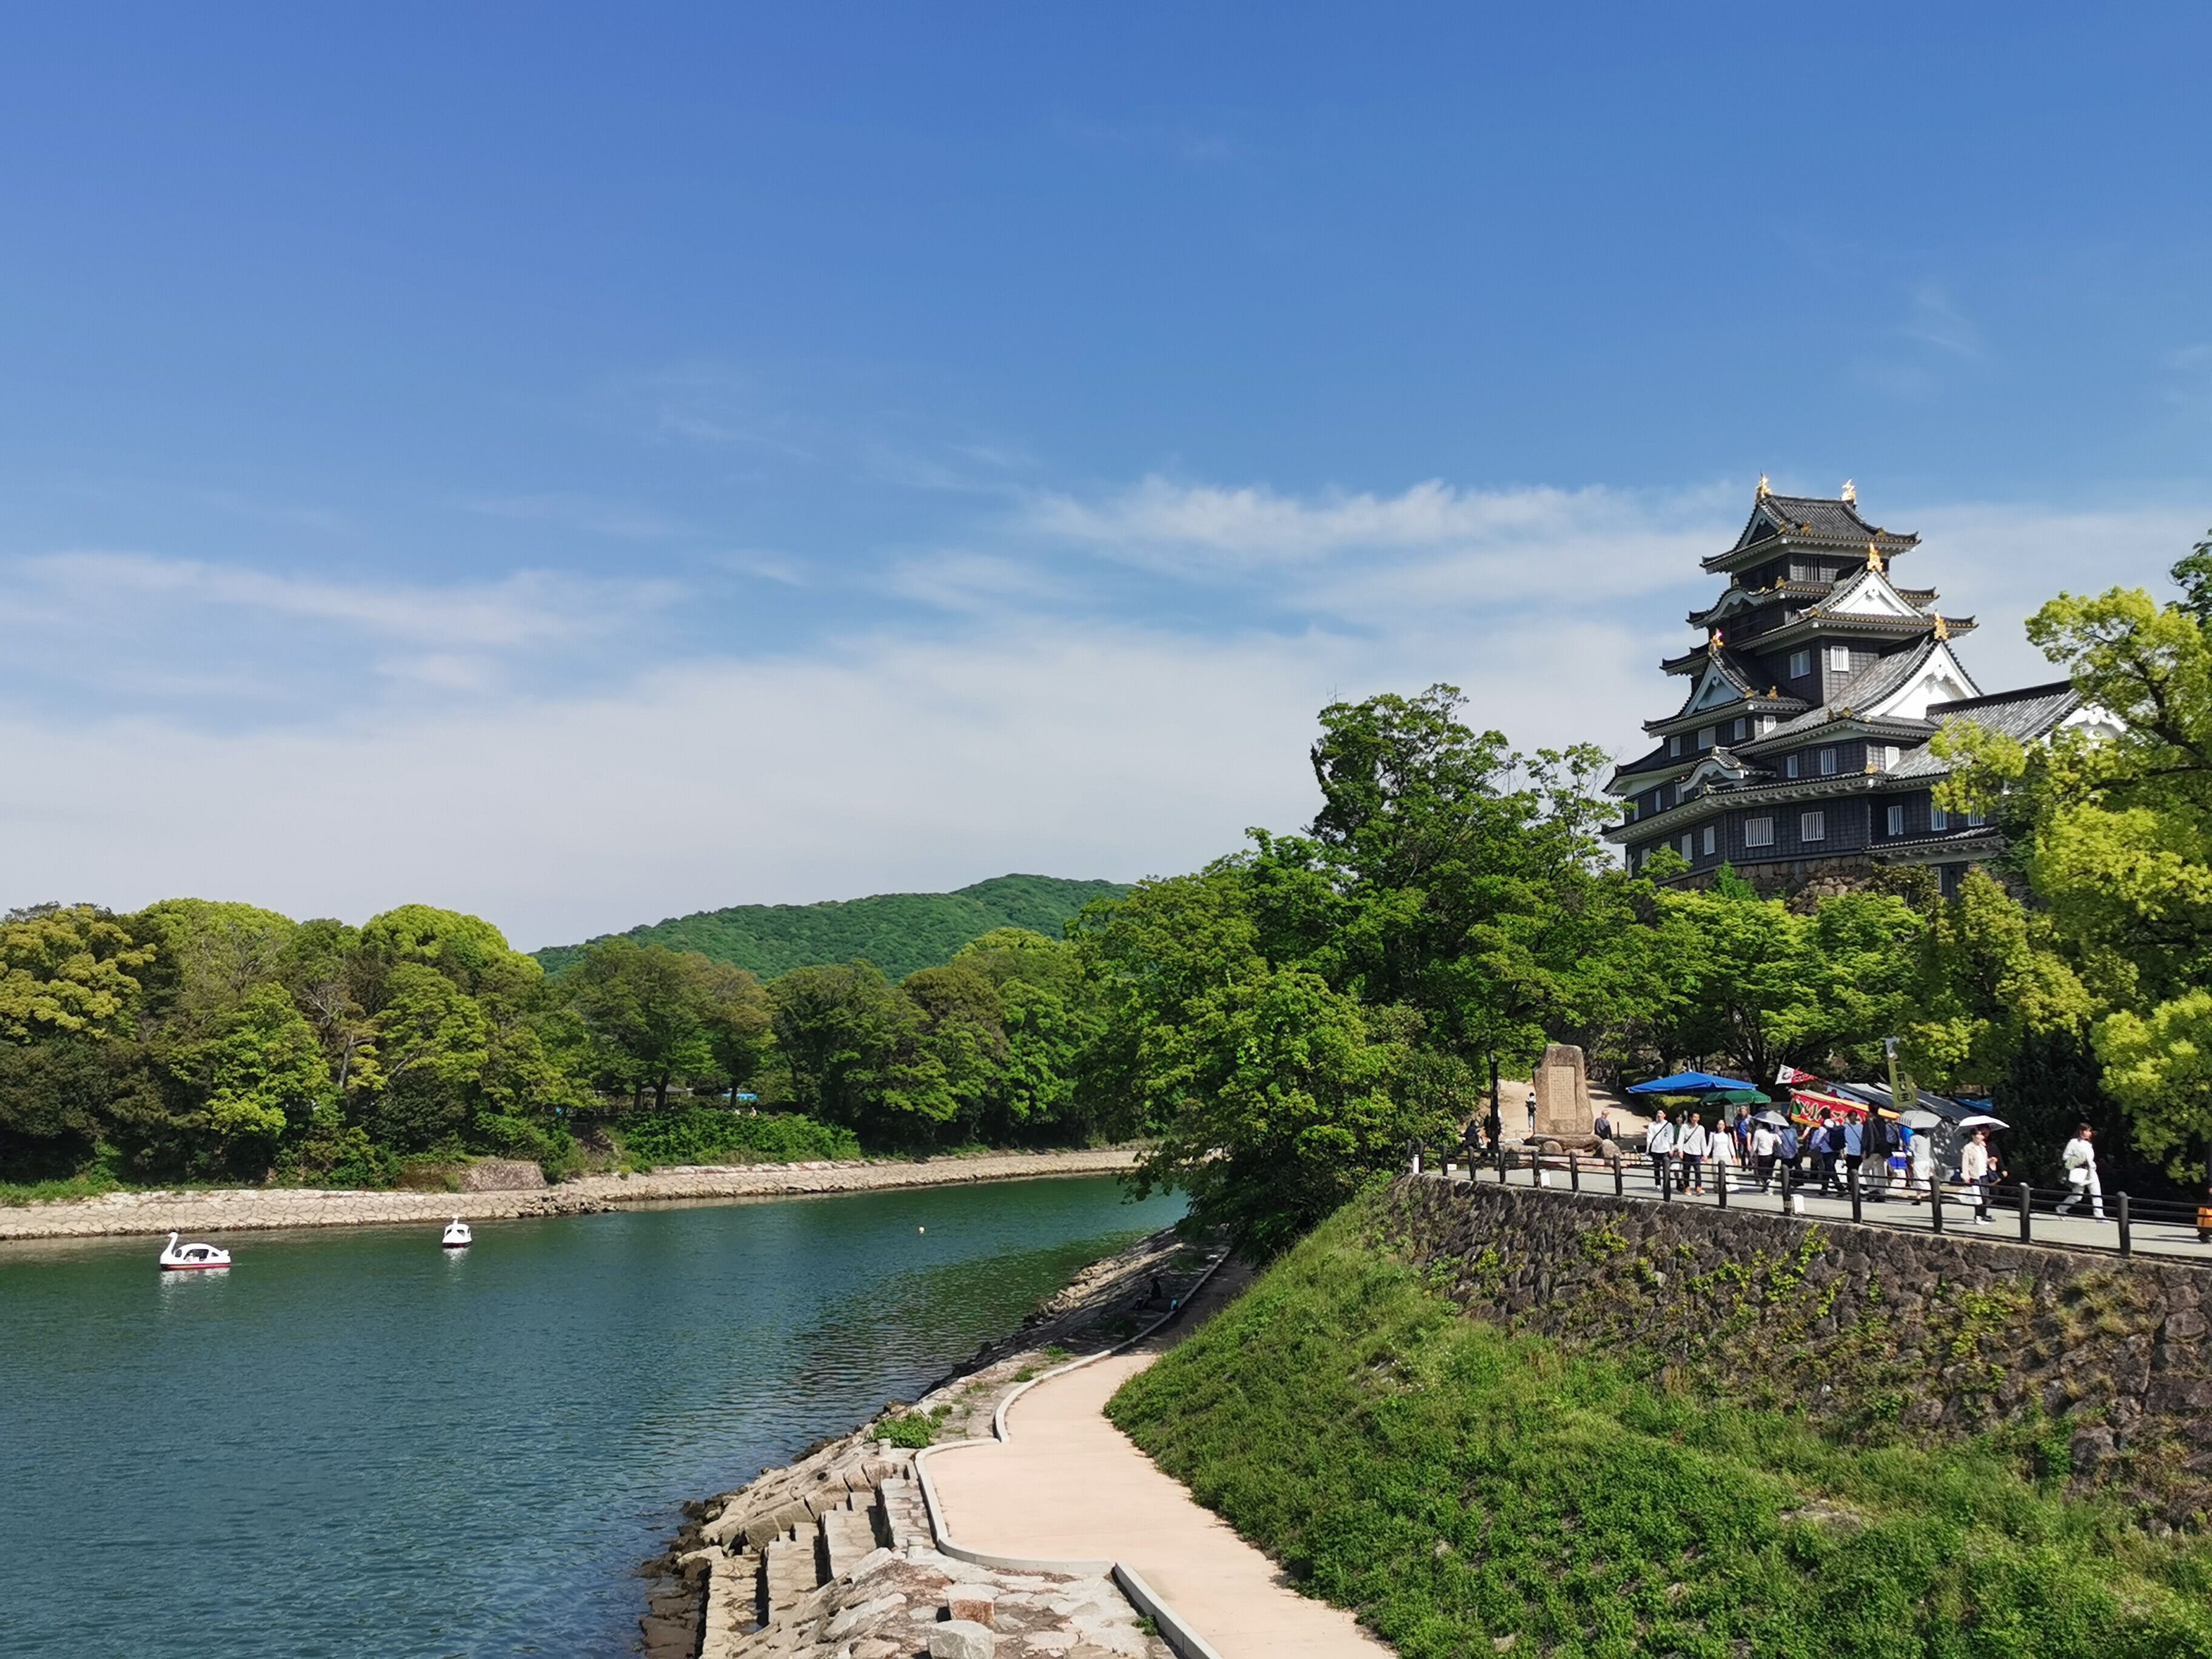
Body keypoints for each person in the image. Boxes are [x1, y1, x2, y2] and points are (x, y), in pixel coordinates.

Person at [2055, 1124, 2105, 1220]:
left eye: (2090, 1131)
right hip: (2080, 1171)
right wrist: (2077, 1160)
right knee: (2078, 1196)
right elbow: (2065, 1156)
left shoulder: (2089, 1144)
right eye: (2087, 1131)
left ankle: (2099, 1215)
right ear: (2081, 1131)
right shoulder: (2074, 1142)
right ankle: (2061, 1209)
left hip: (2091, 1170)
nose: (2089, 1133)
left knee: (2096, 1193)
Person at [1962, 1128, 1994, 1224]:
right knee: (1978, 1198)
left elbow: (1985, 1161)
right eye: (1979, 1135)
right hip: (1975, 1175)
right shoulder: (1968, 1148)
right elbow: (1965, 1163)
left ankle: (1983, 1215)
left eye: (1982, 1135)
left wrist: (1990, 1161)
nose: (1981, 1137)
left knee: (1986, 1197)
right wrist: (1966, 1177)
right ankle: (1978, 1217)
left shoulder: (1982, 1147)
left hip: (1984, 1174)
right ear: (1973, 1136)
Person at [1678, 1113, 1709, 1194]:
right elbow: (1681, 1139)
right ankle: (1687, 1187)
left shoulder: (1701, 1128)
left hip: (1697, 1152)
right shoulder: (1685, 1127)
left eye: (1697, 1117)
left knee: (1698, 1171)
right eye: (1694, 1117)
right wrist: (1680, 1151)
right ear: (1691, 1118)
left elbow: (1703, 1141)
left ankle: (1698, 1187)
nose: (1695, 1119)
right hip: (1687, 1151)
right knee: (1686, 1171)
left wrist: (1705, 1154)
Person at [1751, 1117, 1781, 1192]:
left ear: (1761, 1125)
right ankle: (1766, 1186)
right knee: (1769, 1171)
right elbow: (1780, 1142)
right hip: (1771, 1155)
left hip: (1762, 1155)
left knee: (1761, 1172)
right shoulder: (1773, 1134)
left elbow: (1754, 1146)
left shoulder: (1758, 1133)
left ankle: (1767, 1182)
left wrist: (1751, 1154)